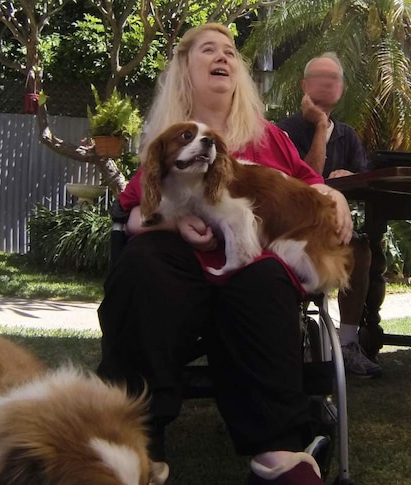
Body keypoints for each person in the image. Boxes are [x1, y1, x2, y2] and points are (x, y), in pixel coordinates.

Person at [97, 24, 354, 485]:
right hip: (178, 265)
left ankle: (279, 453)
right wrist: (173, 221)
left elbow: (308, 182)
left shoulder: (267, 136)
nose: (224, 57)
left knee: (263, 281)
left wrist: (333, 196)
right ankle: (134, 442)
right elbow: (132, 213)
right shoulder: (168, 138)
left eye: (231, 52)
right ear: (185, 70)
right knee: (141, 266)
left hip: (252, 266)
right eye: (209, 50)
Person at [277, 53, 382, 379]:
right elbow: (302, 181)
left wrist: (349, 176)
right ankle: (294, 342)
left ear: (341, 89)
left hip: (334, 231)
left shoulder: (348, 136)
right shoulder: (285, 132)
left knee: (362, 251)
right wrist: (321, 126)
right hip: (292, 235)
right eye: (319, 77)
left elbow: (366, 184)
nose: (327, 83)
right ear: (304, 86)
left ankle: (348, 345)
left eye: (333, 78)